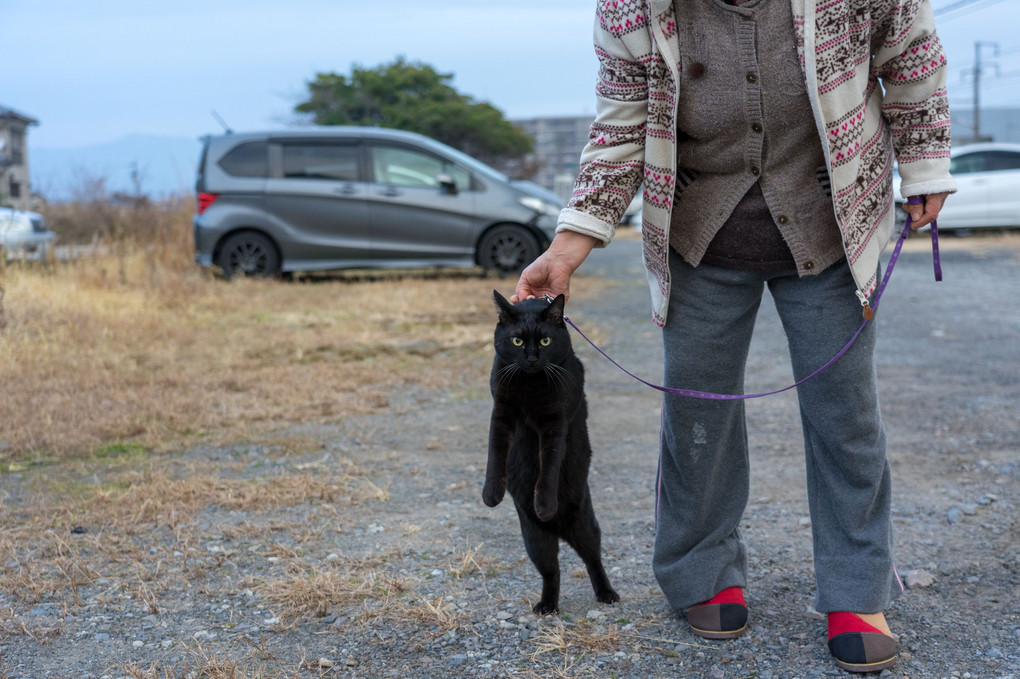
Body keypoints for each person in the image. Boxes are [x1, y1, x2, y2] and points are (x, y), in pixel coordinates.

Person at [511, 0, 955, 672]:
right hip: (698, 238)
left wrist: (924, 165)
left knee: (846, 416)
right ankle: (702, 571)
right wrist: (568, 248)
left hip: (833, 229)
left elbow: (911, 57)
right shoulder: (629, 8)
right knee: (698, 416)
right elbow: (621, 127)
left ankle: (856, 591)